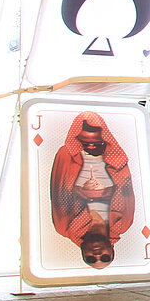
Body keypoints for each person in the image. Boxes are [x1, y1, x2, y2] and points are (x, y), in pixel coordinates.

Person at [50, 112, 135, 268]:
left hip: (76, 161)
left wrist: (83, 190)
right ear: (111, 249)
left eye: (91, 259)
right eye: (105, 258)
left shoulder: (65, 227)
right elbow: (126, 185)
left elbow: (59, 189)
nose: (97, 255)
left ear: (83, 253)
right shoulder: (123, 223)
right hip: (108, 162)